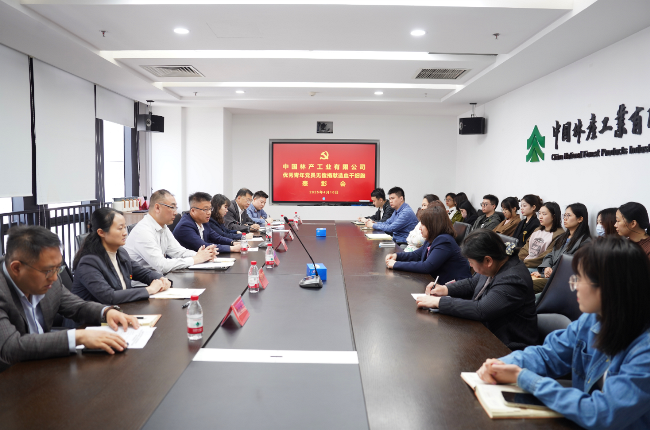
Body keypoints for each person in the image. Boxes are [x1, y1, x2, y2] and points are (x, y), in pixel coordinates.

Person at [477, 236, 650, 429]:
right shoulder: (592, 319)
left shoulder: (645, 350)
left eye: (579, 279)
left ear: (609, 287)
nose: (574, 286)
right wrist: (500, 365)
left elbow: (602, 413)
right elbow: (548, 355)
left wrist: (524, 378)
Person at [0, 226, 141, 371]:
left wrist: (106, 312)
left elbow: (77, 306)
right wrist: (78, 337)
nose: (55, 278)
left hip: (43, 365)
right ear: (16, 268)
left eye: (58, 268)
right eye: (48, 271)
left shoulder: (48, 279)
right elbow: (11, 347)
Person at [416, 229, 537, 350]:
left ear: (488, 261)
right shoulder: (496, 262)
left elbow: (481, 309)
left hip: (506, 346)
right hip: (485, 332)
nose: (470, 265)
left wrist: (438, 302)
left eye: (471, 262)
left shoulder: (513, 278)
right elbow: (473, 283)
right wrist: (445, 289)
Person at [72, 208, 171, 305]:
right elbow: (109, 297)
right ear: (101, 232)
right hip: (95, 315)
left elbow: (143, 273)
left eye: (125, 227)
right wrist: (149, 289)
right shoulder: (88, 263)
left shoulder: (121, 253)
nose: (125, 233)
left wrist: (161, 279)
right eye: (120, 228)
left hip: (121, 310)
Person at [124, 189, 216, 274]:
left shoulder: (163, 227)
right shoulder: (143, 231)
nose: (176, 212)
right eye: (172, 207)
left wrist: (203, 254)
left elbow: (178, 252)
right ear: (157, 208)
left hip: (158, 278)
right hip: (142, 283)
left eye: (176, 207)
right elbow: (162, 265)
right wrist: (196, 259)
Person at [386, 207, 471, 284]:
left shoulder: (444, 241)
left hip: (455, 289)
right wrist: (396, 256)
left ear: (432, 226)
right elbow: (416, 255)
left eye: (423, 224)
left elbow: (426, 267)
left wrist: (396, 264)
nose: (420, 228)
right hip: (437, 285)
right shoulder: (432, 238)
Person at [531, 203, 592, 293]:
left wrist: (549, 273)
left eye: (568, 215)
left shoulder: (585, 242)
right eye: (564, 215)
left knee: (526, 285)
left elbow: (572, 266)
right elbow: (551, 255)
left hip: (561, 280)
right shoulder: (562, 237)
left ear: (580, 219)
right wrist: (546, 267)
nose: (565, 218)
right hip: (550, 276)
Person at [173, 192, 241, 253]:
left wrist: (233, 242)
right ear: (193, 211)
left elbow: (217, 237)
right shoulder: (185, 226)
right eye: (205, 209)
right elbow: (203, 246)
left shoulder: (204, 221)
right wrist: (231, 248)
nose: (209, 213)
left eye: (210, 209)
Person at [518, 202, 563, 269]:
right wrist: (518, 260)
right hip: (524, 263)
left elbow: (545, 257)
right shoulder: (537, 229)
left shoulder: (559, 234)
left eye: (544, 214)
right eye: (539, 213)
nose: (540, 217)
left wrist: (524, 263)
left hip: (537, 267)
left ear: (553, 216)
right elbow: (526, 248)